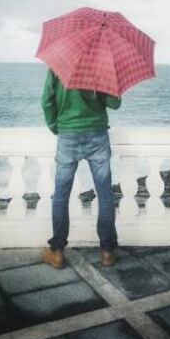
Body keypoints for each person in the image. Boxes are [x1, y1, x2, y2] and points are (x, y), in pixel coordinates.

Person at [41, 67, 122, 269]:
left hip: (68, 134)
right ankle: (107, 252)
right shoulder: (101, 65)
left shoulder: (58, 66)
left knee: (61, 194)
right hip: (97, 134)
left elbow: (47, 101)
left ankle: (57, 251)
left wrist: (55, 126)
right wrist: (112, 80)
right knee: (104, 193)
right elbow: (114, 103)